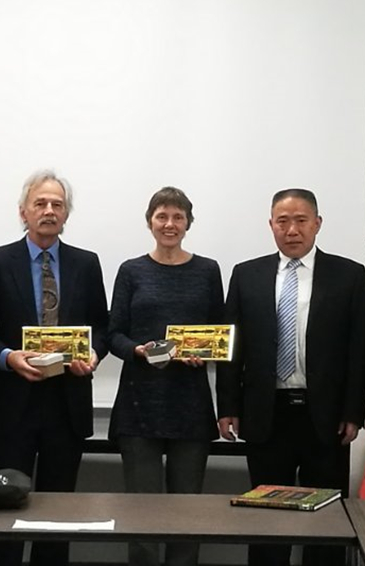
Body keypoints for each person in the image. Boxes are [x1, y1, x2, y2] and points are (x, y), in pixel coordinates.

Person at [216, 188, 365, 566]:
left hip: (326, 417)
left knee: (327, 521)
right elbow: (232, 347)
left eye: (301, 220)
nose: (292, 230)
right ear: (271, 225)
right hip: (266, 413)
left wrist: (353, 412)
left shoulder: (349, 275)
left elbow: (360, 350)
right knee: (266, 519)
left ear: (317, 224)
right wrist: (228, 407)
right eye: (282, 221)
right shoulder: (247, 275)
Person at [0, 170, 109, 566]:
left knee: (58, 512)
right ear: (24, 212)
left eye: (57, 204)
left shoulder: (86, 263)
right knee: (3, 506)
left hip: (67, 404)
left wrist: (94, 355)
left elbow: (101, 327)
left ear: (66, 214)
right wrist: (8, 357)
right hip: (14, 401)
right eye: (40, 204)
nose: (49, 211)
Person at [108, 187, 224, 566]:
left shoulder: (208, 271)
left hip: (190, 404)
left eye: (178, 217)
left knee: (186, 512)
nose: (170, 224)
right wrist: (138, 351)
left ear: (188, 223)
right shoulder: (131, 270)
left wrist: (204, 352)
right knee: (141, 512)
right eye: (162, 216)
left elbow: (219, 332)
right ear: (150, 222)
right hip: (139, 404)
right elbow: (114, 334)